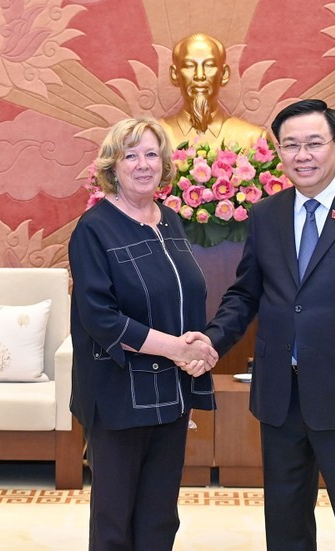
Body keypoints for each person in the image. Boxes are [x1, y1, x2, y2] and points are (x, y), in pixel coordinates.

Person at [202, 99, 335, 550]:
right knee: (286, 525)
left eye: (314, 143)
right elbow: (245, 294)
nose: (303, 155)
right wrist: (212, 342)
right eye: (291, 145)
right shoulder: (266, 214)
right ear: (279, 151)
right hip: (281, 396)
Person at [69, 117, 217, 551]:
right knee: (115, 521)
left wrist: (196, 346)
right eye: (130, 155)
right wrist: (176, 348)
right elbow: (100, 317)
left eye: (151, 154)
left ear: (165, 164)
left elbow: (182, 296)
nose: (142, 164)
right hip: (116, 394)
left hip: (170, 395)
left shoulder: (169, 220)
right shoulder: (93, 228)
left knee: (158, 519)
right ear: (112, 166)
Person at [160, 33, 266, 150]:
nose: (199, 76)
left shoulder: (254, 139)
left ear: (224, 74)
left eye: (209, 65)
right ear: (174, 74)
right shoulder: (152, 137)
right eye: (189, 66)